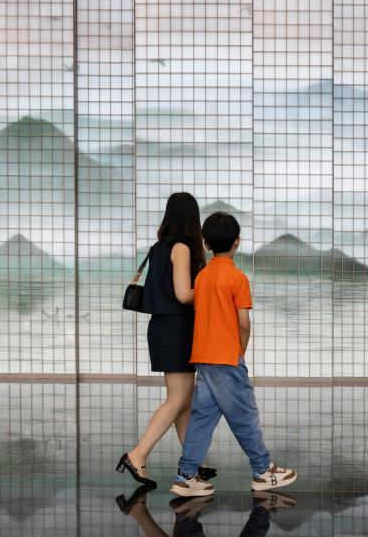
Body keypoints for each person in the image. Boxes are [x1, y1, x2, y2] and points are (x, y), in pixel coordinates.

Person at [170, 211, 297, 497]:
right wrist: (240, 349)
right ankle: (263, 471)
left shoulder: (202, 277)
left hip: (202, 358)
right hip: (226, 359)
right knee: (245, 414)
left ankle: (187, 475)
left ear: (206, 243)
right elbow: (243, 322)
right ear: (237, 242)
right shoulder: (237, 278)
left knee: (202, 417)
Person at [118, 192, 214, 487]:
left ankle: (194, 462)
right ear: (192, 219)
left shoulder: (159, 248)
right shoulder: (182, 248)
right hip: (176, 329)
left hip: (164, 327)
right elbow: (184, 294)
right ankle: (137, 454)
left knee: (183, 400)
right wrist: (212, 288)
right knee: (177, 399)